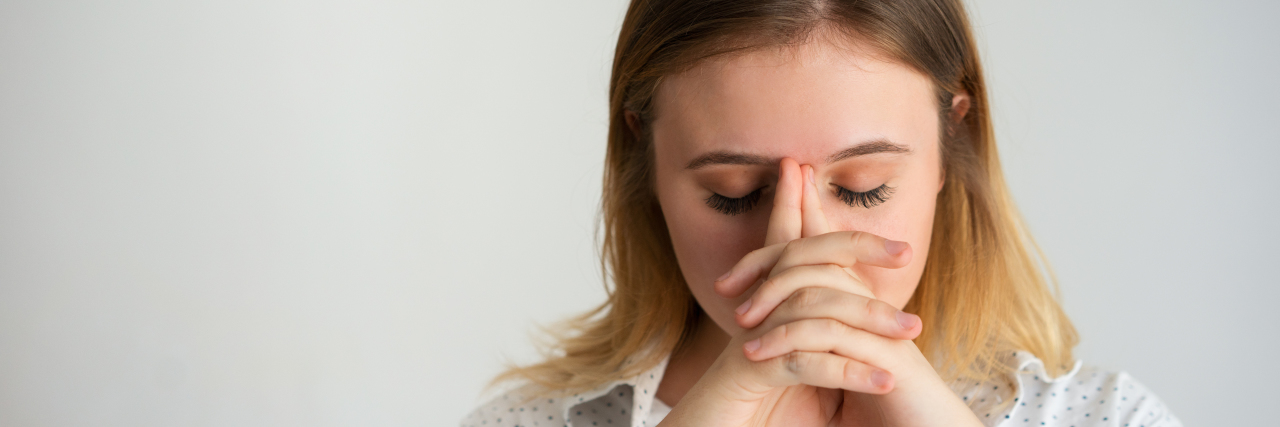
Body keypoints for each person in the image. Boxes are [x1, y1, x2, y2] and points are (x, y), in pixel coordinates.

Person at [461, 0, 1181, 425]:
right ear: (645, 158)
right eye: (735, 192)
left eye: (864, 188)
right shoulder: (528, 421)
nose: (801, 245)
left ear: (949, 145)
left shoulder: (1104, 416)